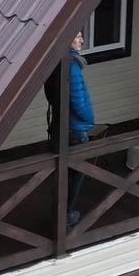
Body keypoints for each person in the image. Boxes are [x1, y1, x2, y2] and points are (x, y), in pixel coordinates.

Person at [44, 31, 95, 230]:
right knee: (75, 176)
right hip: (74, 129)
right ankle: (64, 219)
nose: (82, 40)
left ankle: (61, 216)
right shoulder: (71, 66)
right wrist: (89, 119)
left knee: (63, 174)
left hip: (60, 125)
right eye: (78, 36)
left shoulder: (55, 61)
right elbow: (78, 101)